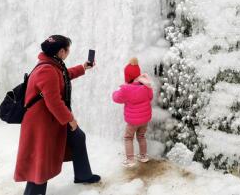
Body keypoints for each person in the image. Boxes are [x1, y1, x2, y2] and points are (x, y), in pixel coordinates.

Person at [14, 35, 101, 195]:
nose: (68, 52)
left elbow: (62, 76)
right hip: (41, 124)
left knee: (78, 137)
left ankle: (83, 175)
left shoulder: (52, 65)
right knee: (39, 159)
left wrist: (83, 67)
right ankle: (34, 193)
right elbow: (53, 101)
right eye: (68, 50)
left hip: (51, 119)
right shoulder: (46, 70)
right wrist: (70, 120)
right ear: (61, 51)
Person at [112, 57, 153, 168]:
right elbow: (150, 97)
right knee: (141, 136)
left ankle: (130, 159)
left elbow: (116, 98)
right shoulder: (146, 86)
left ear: (127, 77)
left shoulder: (126, 89)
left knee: (128, 138)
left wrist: (116, 91)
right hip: (144, 120)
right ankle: (143, 156)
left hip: (132, 121)